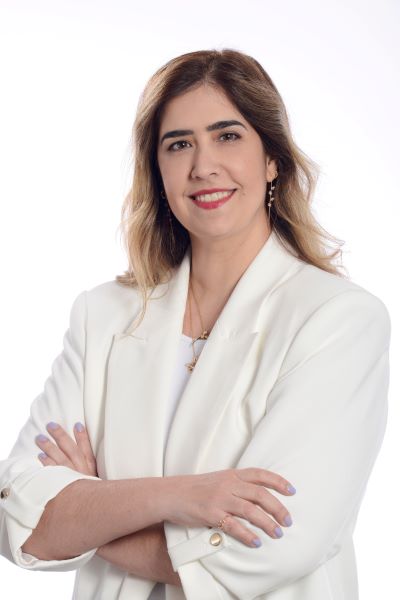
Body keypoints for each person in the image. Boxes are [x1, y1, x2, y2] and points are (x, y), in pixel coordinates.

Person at [0, 48, 391, 600]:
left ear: (273, 159)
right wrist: (180, 495)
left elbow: (270, 544)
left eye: (227, 136)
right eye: (179, 144)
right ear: (157, 170)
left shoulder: (338, 319)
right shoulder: (102, 316)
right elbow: (15, 515)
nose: (203, 165)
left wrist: (92, 507)